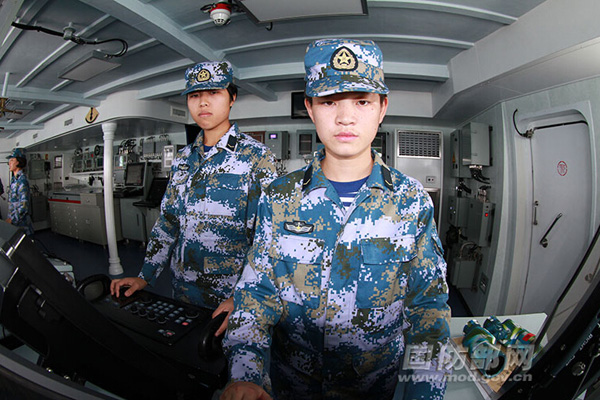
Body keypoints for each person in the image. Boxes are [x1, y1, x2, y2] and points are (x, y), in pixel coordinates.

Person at [221, 39, 451, 400]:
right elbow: (257, 297)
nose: (346, 117)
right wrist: (246, 374)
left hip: (376, 388)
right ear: (310, 108)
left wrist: (425, 393)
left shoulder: (411, 200)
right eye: (329, 101)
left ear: (382, 108)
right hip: (291, 386)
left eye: (362, 101)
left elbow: (428, 311)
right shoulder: (279, 198)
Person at [110, 61, 278, 335]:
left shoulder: (257, 158)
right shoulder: (183, 160)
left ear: (232, 97)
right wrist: (145, 276)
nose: (203, 103)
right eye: (195, 95)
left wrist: (244, 296)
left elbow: (268, 238)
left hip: (231, 296)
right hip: (184, 290)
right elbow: (168, 223)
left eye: (213, 93)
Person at [6, 148, 34, 236]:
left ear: (18, 162)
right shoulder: (15, 180)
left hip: (22, 225)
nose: (9, 163)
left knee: (26, 248)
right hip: (14, 224)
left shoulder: (22, 181)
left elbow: (24, 206)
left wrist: (12, 219)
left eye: (12, 160)